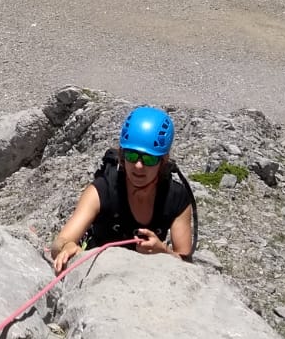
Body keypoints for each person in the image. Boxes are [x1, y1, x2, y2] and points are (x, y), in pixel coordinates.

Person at [50, 105, 195, 273]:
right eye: (131, 156)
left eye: (148, 159)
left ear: (163, 161)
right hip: (98, 273)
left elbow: (186, 263)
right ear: (122, 155)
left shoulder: (176, 198)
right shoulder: (102, 190)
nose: (138, 166)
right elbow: (59, 242)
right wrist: (67, 247)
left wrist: (163, 252)